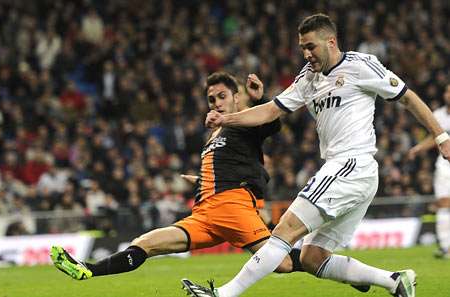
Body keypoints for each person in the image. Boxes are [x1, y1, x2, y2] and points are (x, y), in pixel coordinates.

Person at [182, 13, 450, 297]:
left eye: (311, 46)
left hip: (351, 164)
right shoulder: (308, 78)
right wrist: (228, 120)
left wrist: (441, 136)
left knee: (284, 231)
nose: (306, 53)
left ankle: (222, 294)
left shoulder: (361, 66)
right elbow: (272, 110)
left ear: (330, 41)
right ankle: (395, 281)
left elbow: (407, 96)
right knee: (312, 257)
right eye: (302, 48)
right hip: (350, 173)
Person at [50, 72, 299, 280]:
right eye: (212, 100)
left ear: (236, 97)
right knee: (146, 242)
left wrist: (260, 100)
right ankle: (88, 269)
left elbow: (271, 125)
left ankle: (324, 260)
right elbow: (232, 166)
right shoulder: (215, 135)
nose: (217, 103)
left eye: (222, 96)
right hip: (204, 214)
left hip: (231, 207)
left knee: (283, 264)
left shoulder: (244, 122)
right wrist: (201, 182)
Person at [408, 83, 450, 259]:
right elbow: (435, 137)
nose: (449, 94)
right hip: (445, 164)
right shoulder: (439, 114)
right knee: (443, 203)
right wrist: (419, 148)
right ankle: (446, 246)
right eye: (447, 91)